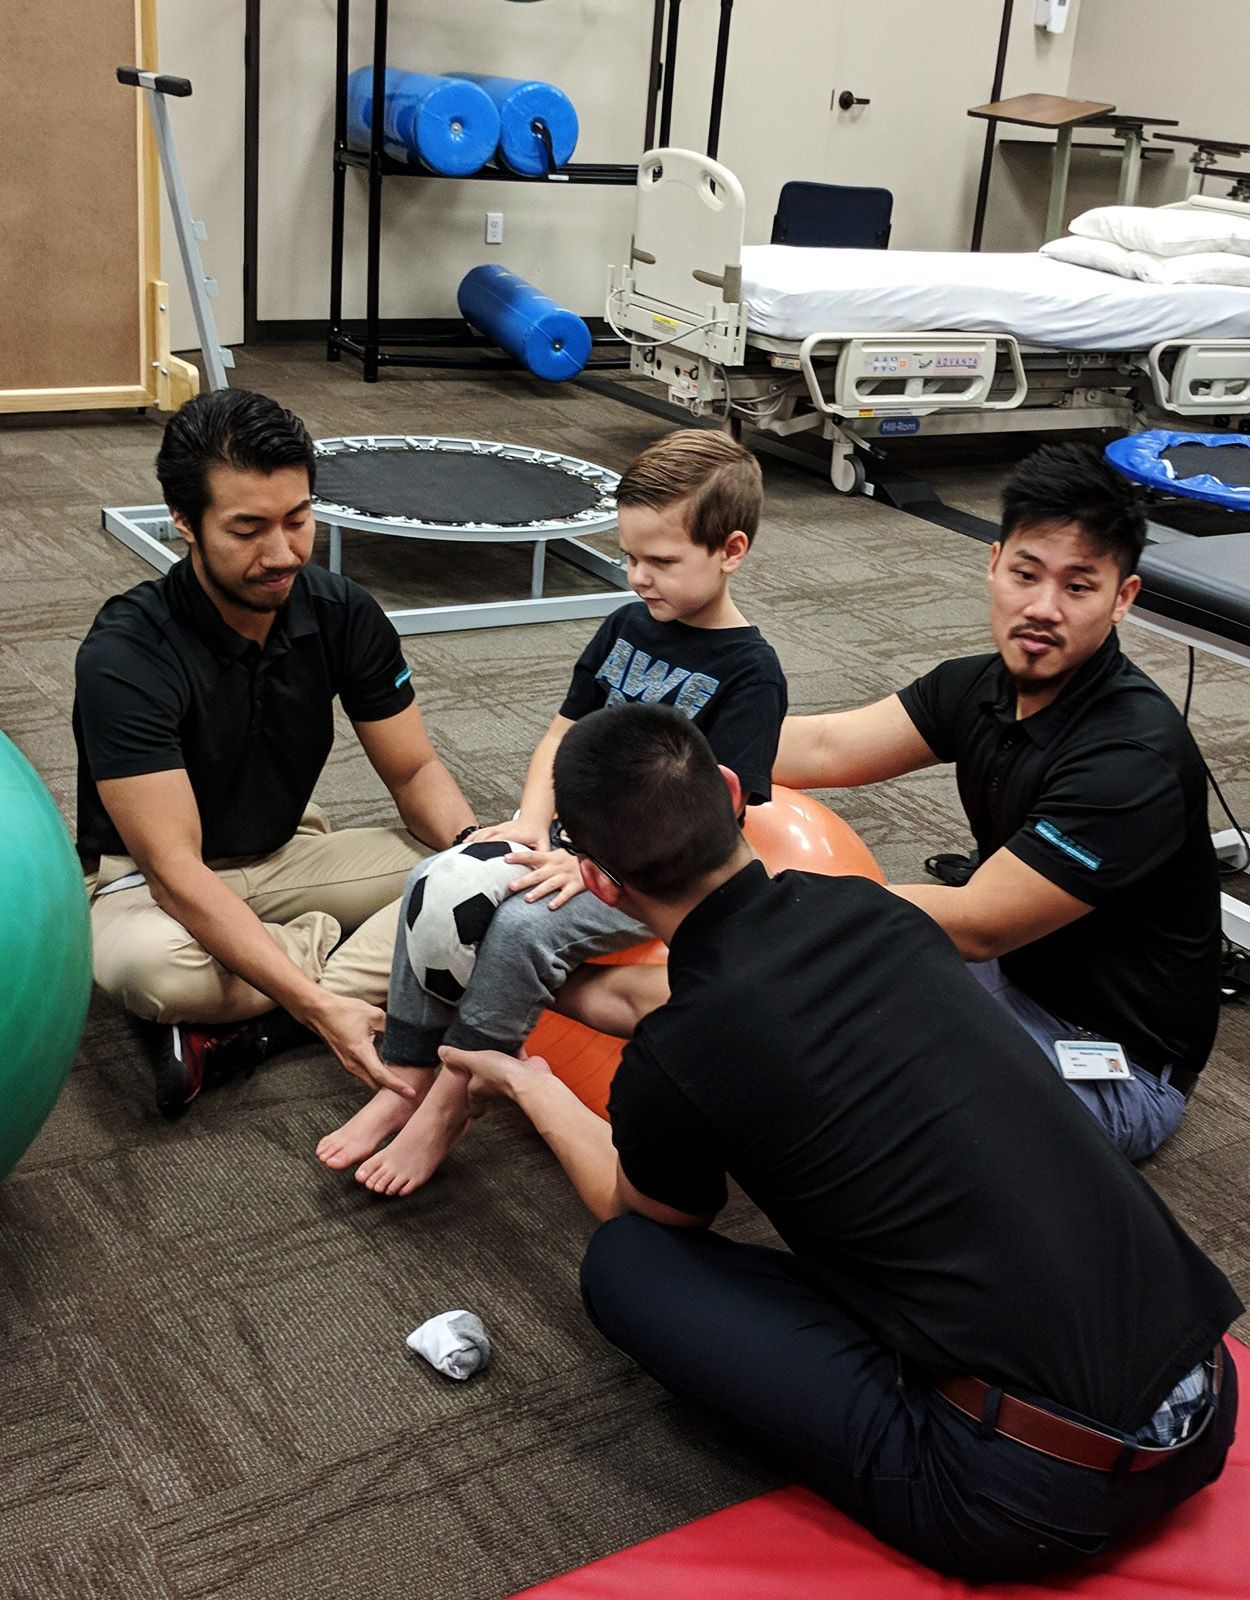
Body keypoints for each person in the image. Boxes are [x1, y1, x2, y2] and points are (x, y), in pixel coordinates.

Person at [440, 703, 1240, 1583]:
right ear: (733, 792)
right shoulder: (874, 909)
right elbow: (712, 990)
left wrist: (529, 1081)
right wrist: (554, 992)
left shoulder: (686, 1050)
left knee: (628, 1263)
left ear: (597, 882)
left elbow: (641, 1207)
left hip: (1030, 1496)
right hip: (1207, 1405)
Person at [316, 428, 787, 1193]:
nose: (638, 577)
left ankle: (449, 1102)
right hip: (572, 846)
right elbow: (565, 733)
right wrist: (534, 821)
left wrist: (601, 866)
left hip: (659, 883)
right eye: (630, 556)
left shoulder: (751, 673)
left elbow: (715, 820)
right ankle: (404, 1074)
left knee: (521, 929)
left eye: (661, 562)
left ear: (731, 550)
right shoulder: (627, 627)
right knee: (433, 877)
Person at [775, 442, 1221, 1161]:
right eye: (1025, 574)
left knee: (847, 1094)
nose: (1042, 608)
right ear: (993, 564)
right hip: (1004, 978)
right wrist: (667, 746)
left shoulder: (1130, 757)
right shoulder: (978, 685)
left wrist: (779, 900)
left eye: (1079, 586)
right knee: (799, 1015)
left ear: (1122, 599)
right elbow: (827, 747)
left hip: (1113, 1063)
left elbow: (979, 923)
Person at [74, 389, 478, 1115]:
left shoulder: (341, 611)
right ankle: (320, 980)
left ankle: (246, 1024)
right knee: (153, 973)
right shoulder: (126, 652)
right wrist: (323, 1009)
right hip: (150, 884)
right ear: (182, 522)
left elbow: (416, 771)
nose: (283, 552)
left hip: (289, 853)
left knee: (474, 886)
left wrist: (477, 849)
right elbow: (173, 873)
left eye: (298, 520)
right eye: (248, 529)